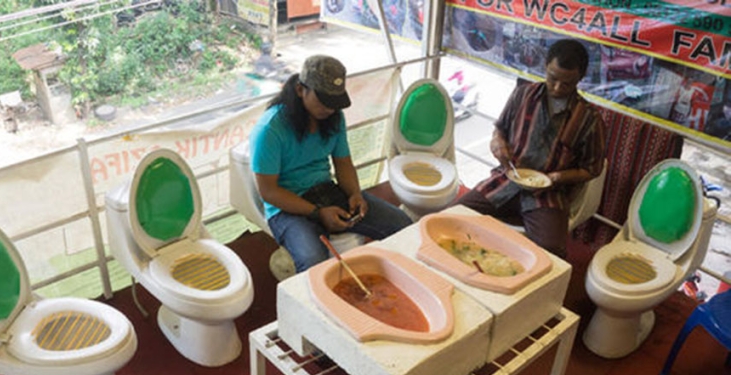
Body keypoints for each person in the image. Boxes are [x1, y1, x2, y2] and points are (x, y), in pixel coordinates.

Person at [249, 55, 413, 272]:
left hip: (325, 191)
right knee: (313, 261)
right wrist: (318, 213)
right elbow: (269, 192)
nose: (330, 108)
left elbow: (343, 164)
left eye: (335, 102)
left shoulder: (334, 117)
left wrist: (355, 194)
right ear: (300, 89)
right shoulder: (270, 129)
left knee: (403, 225)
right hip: (286, 206)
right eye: (323, 100)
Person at [452, 38, 605, 258]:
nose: (557, 87)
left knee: (552, 254)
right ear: (545, 67)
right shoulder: (523, 95)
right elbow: (499, 129)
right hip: (506, 180)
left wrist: (557, 178)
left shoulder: (589, 119)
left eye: (567, 83)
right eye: (552, 79)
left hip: (548, 195)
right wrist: (498, 144)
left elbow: (592, 169)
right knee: (453, 216)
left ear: (580, 79)